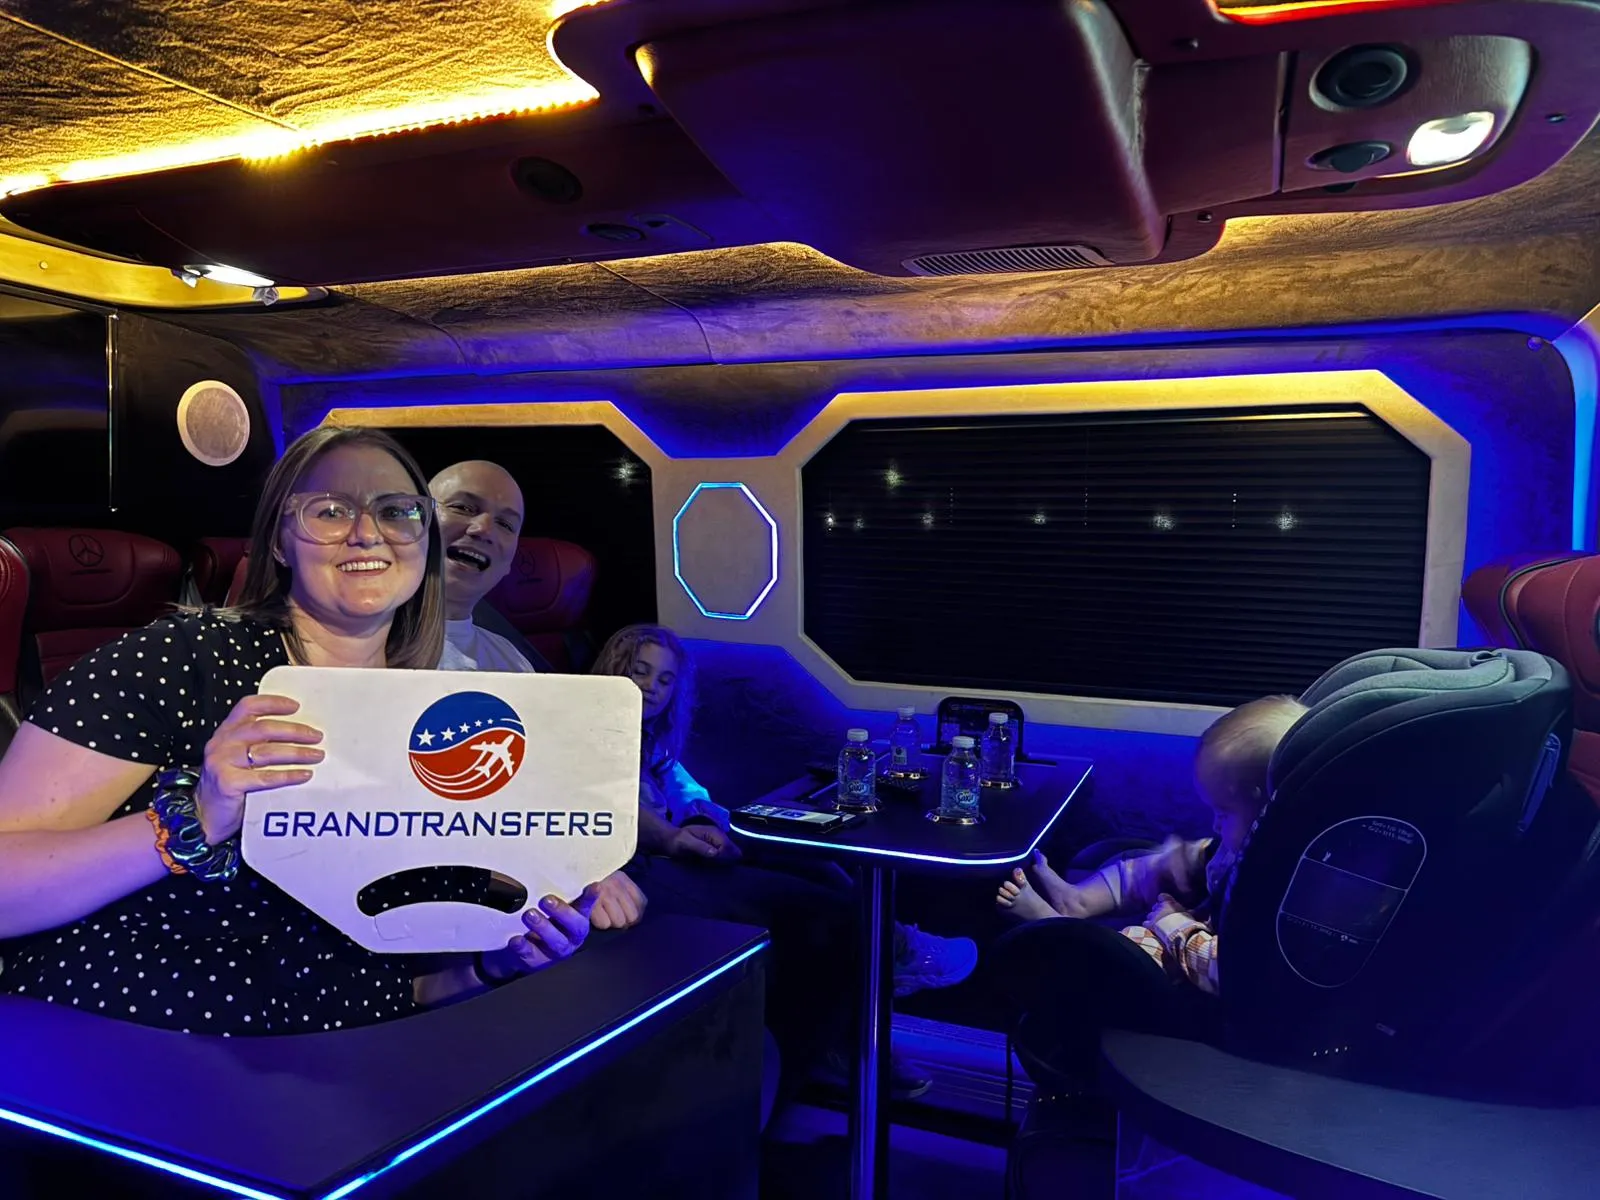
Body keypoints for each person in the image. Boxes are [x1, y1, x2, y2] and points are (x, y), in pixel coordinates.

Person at [0, 426, 612, 1035]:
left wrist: (495, 964)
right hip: (135, 1035)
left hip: (348, 1052)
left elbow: (392, 981)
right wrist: (195, 819)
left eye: (396, 511)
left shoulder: (435, 715)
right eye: (331, 510)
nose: (367, 532)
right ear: (280, 542)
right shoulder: (180, 660)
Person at [988, 695, 1307, 1098]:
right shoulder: (1244, 844)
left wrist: (1172, 925)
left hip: (1196, 971)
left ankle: (1055, 928)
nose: (1215, 822)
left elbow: (1228, 972)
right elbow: (1211, 857)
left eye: (1224, 813)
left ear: (1268, 811)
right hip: (1199, 912)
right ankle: (1077, 901)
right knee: (1147, 865)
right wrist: (1182, 861)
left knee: (1137, 946)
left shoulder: (1283, 886)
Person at [431, 459, 541, 674]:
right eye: (463, 508)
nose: (484, 529)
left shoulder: (514, 666)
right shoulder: (363, 646)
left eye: (505, 524)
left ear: (509, 563)